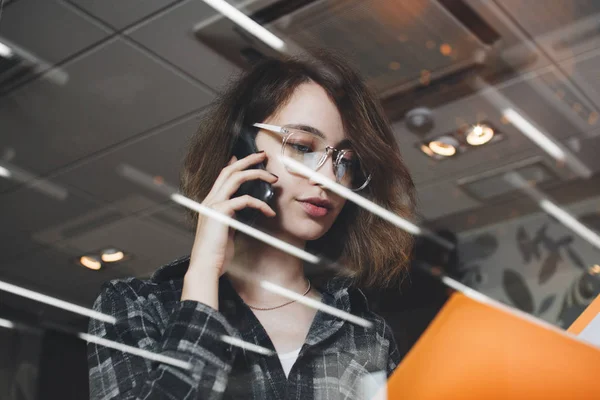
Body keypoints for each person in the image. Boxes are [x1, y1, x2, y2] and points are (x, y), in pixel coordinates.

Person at [87, 50, 416, 399]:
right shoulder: (138, 307)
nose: (329, 179)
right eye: (303, 147)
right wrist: (202, 276)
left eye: (346, 162)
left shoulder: (367, 335)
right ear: (242, 149)